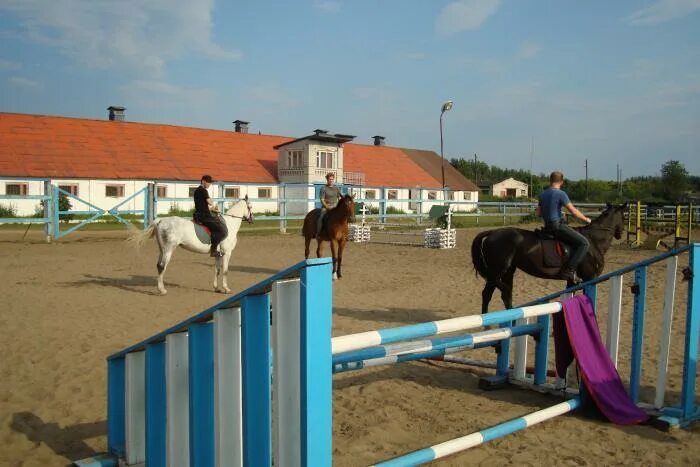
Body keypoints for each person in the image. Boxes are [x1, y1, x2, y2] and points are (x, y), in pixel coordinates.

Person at [537, 171, 592, 283]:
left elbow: (538, 213)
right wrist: (586, 219)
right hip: (557, 227)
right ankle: (570, 271)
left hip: (547, 227)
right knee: (584, 243)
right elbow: (574, 211)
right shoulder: (561, 194)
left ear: (550, 181)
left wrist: (556, 212)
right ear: (561, 182)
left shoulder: (542, 194)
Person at [193, 175, 228, 257]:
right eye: (208, 182)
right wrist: (212, 203)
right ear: (203, 181)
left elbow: (201, 205)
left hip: (200, 214)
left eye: (210, 183)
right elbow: (210, 202)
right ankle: (214, 250)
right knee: (221, 230)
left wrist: (212, 210)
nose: (209, 184)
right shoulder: (203, 190)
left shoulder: (197, 190)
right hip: (204, 216)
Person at [317, 172, 342, 237]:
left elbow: (339, 198)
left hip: (335, 206)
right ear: (327, 180)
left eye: (332, 179)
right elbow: (322, 200)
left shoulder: (336, 188)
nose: (331, 180)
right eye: (329, 179)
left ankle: (344, 233)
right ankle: (319, 233)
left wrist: (339, 206)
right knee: (321, 217)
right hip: (326, 207)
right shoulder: (323, 188)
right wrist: (327, 206)